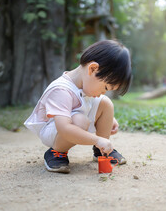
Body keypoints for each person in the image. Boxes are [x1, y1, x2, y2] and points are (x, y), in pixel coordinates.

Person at [24, 40, 132, 174]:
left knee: (106, 103)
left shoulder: (85, 85)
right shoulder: (61, 90)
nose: (103, 92)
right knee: (80, 121)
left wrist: (108, 118)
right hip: (54, 129)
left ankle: (101, 151)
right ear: (92, 69)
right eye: (105, 87)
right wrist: (97, 139)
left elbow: (89, 105)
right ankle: (56, 152)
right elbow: (64, 128)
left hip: (76, 119)